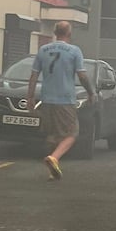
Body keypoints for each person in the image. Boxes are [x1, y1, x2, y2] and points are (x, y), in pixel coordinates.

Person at [26, 21, 93, 180]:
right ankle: (54, 158)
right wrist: (91, 92)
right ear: (69, 34)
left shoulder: (43, 50)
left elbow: (34, 76)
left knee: (53, 134)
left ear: (55, 33)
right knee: (72, 133)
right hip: (65, 99)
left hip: (47, 99)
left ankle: (53, 170)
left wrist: (30, 97)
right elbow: (82, 75)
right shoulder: (74, 51)